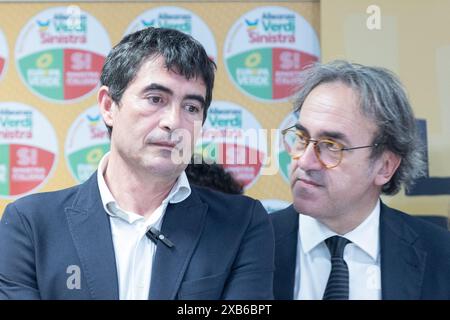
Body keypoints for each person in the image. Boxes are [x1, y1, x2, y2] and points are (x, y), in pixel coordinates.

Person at [0, 27, 274, 300]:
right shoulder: (31, 224)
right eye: (156, 99)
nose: (174, 122)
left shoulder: (241, 224)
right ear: (108, 106)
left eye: (191, 107)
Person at [271, 60, 450, 300]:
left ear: (385, 166)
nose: (304, 161)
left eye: (331, 146)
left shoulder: (440, 255)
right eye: (302, 138)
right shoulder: (247, 244)